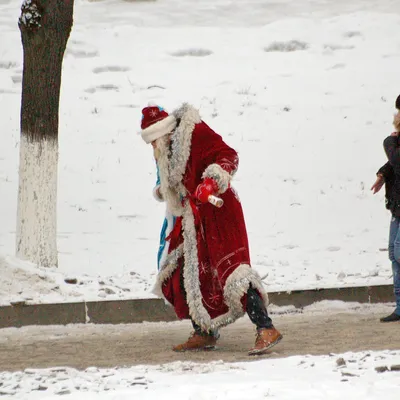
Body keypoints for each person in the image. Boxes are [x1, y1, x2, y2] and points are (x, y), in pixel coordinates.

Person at [140, 102, 283, 354]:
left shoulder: (196, 132)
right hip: (194, 216)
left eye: (153, 141)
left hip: (220, 209)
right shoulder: (168, 152)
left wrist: (210, 181)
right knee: (183, 269)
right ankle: (204, 331)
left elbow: (229, 155)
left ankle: (266, 327)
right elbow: (174, 183)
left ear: (162, 133)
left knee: (232, 271)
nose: (152, 148)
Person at [371, 94, 400, 322]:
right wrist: (383, 173)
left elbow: (397, 158)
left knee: (399, 252)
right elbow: (394, 163)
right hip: (397, 206)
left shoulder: (394, 142)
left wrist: (390, 142)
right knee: (394, 253)